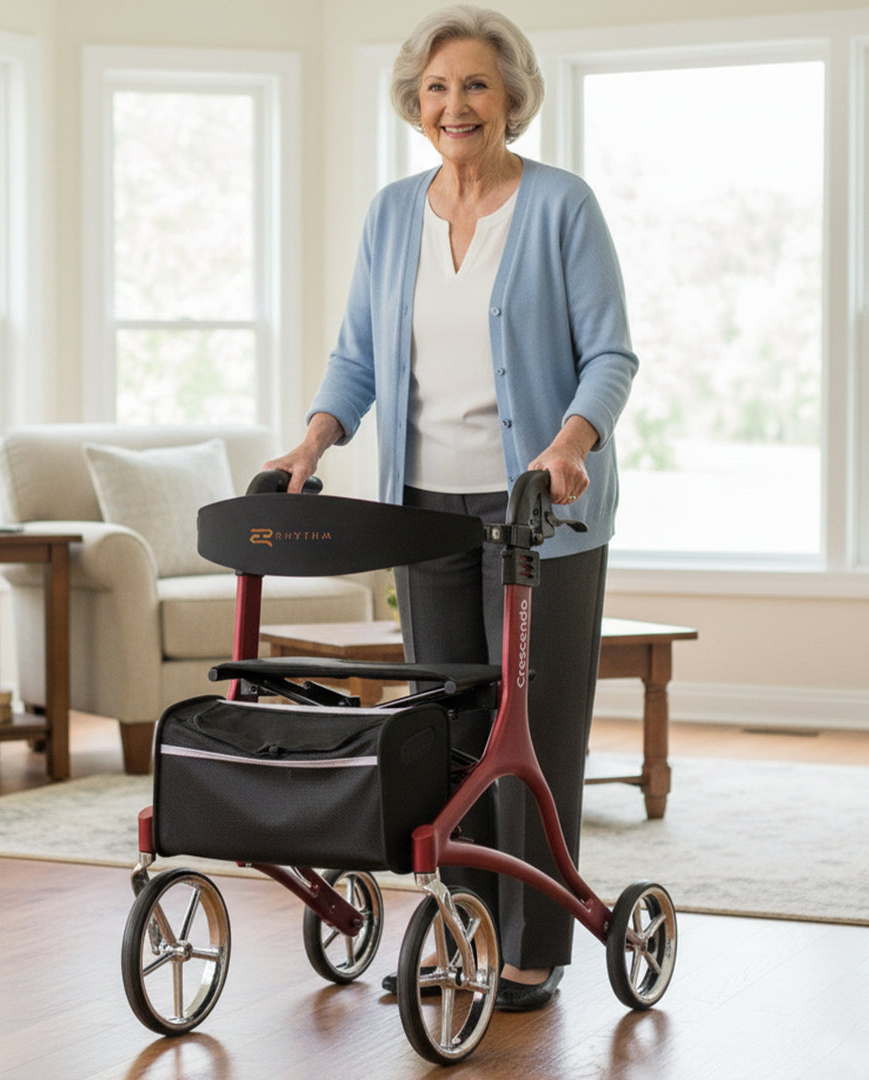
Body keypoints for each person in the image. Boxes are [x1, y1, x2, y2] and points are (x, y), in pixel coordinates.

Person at [265, 3, 637, 1012]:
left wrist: (569, 443)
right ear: (414, 104)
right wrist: (314, 438)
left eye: (475, 85)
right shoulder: (394, 214)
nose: (455, 105)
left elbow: (610, 353)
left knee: (535, 727)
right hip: (422, 506)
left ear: (511, 96)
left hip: (538, 512)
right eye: (437, 88)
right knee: (451, 728)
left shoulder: (561, 205)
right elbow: (356, 356)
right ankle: (462, 927)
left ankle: (535, 948)